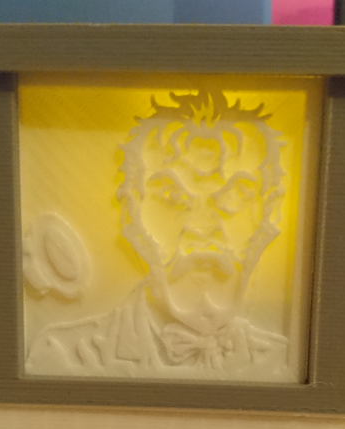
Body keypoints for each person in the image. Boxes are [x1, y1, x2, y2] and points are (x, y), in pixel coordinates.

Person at [26, 89, 292, 381]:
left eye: (236, 196)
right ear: (130, 218)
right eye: (172, 196)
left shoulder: (281, 361)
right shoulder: (61, 354)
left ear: (270, 220)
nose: (202, 226)